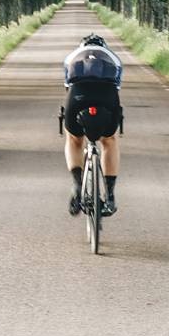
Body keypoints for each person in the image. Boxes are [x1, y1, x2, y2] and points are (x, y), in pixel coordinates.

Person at [62, 33, 122, 217]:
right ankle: (110, 196)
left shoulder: (73, 58)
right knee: (109, 140)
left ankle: (77, 185)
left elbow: (67, 84)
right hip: (107, 96)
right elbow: (117, 85)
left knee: (74, 139)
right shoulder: (113, 60)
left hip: (78, 96)